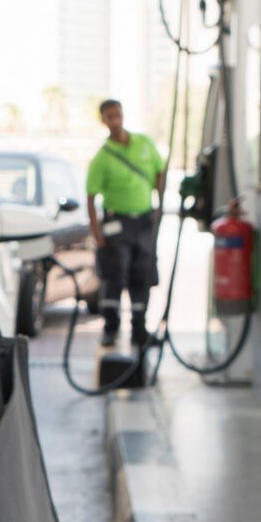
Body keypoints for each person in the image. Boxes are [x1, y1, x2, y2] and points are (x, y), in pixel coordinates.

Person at [83, 98, 165, 349]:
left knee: (142, 274)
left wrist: (158, 207)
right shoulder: (102, 158)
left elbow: (160, 172)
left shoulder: (144, 143)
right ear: (103, 120)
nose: (115, 120)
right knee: (114, 276)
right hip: (116, 225)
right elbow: (90, 196)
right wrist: (97, 234)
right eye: (109, 116)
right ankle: (110, 329)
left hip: (143, 222)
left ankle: (139, 330)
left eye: (117, 114)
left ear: (123, 114)